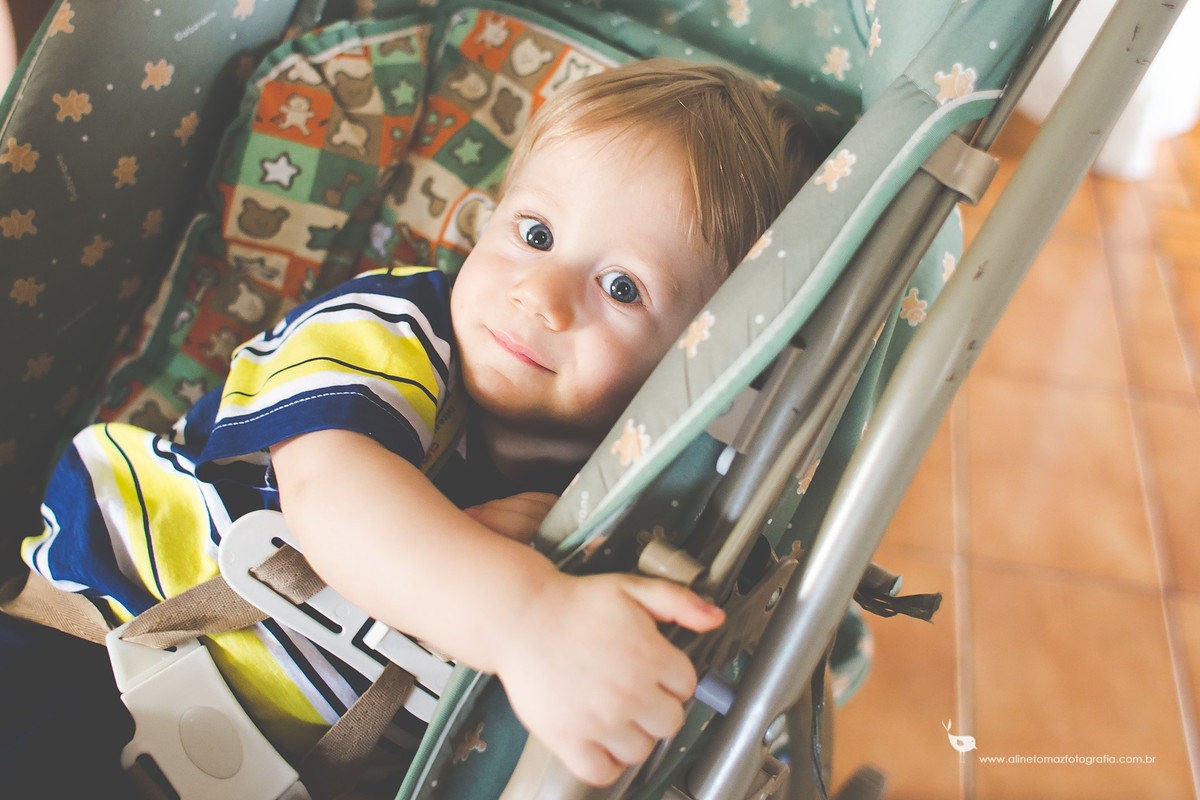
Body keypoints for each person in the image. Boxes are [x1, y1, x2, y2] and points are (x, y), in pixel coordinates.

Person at [13, 58, 819, 790]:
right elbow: (337, 501)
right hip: (103, 640)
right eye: (534, 234)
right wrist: (526, 616)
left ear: (697, 360)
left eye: (622, 287)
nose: (541, 293)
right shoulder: (390, 327)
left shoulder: (617, 501)